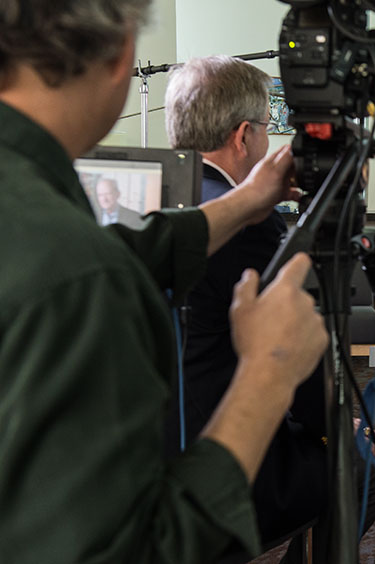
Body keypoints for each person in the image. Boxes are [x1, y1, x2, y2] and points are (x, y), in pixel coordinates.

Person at [0, 2, 328, 563]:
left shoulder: (40, 215)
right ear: (120, 52)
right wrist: (268, 374)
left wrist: (246, 200)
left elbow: (124, 249)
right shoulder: (76, 271)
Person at [163, 55, 375, 561]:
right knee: (372, 461)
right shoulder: (249, 223)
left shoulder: (157, 207)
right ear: (243, 135)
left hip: (155, 443)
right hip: (221, 450)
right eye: (269, 129)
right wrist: (336, 428)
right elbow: (293, 350)